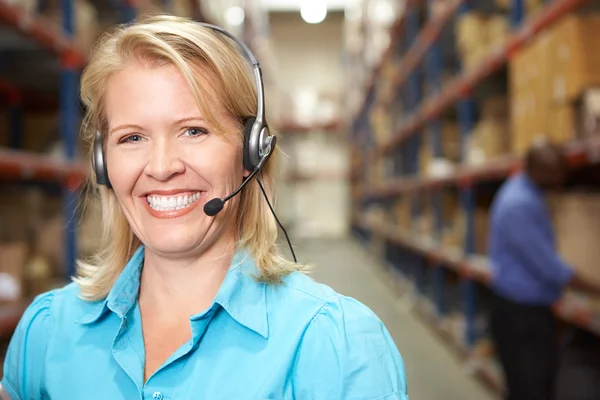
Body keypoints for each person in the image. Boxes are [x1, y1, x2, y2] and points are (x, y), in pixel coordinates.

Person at [0, 16, 408, 400]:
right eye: (132, 138)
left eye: (193, 130)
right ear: (103, 165)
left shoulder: (338, 346)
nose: (161, 168)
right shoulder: (46, 332)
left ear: (253, 152)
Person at [488, 141, 600, 400]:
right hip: (521, 318)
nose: (562, 177)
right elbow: (551, 268)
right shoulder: (519, 204)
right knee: (531, 390)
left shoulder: (527, 191)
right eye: (557, 171)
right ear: (538, 169)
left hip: (527, 311)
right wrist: (596, 288)